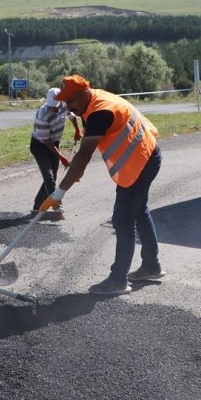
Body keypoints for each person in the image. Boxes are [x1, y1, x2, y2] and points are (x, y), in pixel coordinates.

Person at [39, 75, 165, 296]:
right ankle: (151, 266)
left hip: (141, 160)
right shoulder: (94, 100)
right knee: (139, 211)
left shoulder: (100, 112)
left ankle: (118, 279)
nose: (68, 107)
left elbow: (82, 157)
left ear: (83, 94)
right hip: (147, 153)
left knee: (122, 219)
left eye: (70, 102)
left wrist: (58, 193)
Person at [30, 87, 82, 218]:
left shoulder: (65, 105)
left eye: (57, 106)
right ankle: (57, 205)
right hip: (40, 145)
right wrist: (61, 157)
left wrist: (77, 129)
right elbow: (46, 140)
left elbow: (72, 116)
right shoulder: (42, 114)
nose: (55, 108)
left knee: (52, 176)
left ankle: (37, 206)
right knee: (48, 176)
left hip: (54, 143)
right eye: (53, 106)